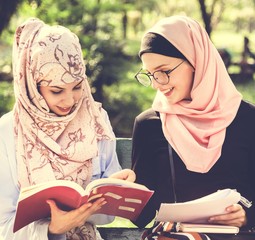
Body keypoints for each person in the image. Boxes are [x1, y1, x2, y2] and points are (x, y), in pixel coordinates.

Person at [0, 18, 135, 240]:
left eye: (77, 87)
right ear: (32, 86)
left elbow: (108, 216)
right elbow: (2, 227)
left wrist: (114, 191)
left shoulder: (95, 118)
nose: (70, 100)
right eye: (56, 90)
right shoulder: (8, 131)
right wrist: (52, 229)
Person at [132, 15, 255, 239]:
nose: (157, 84)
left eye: (164, 71)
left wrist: (248, 215)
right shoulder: (149, 125)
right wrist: (127, 193)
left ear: (196, 61)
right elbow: (142, 217)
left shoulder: (248, 120)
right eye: (150, 75)